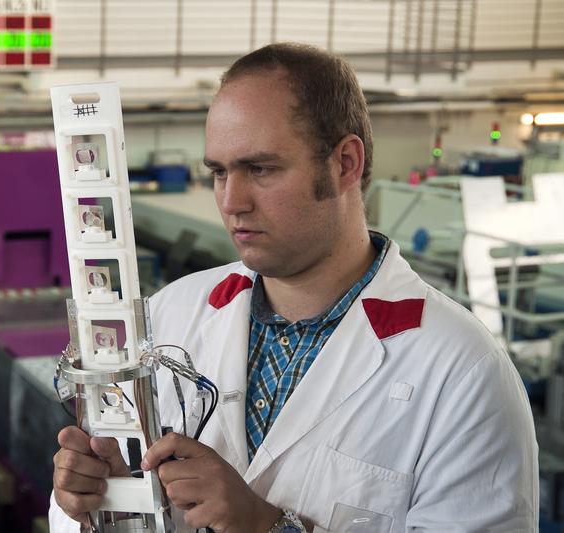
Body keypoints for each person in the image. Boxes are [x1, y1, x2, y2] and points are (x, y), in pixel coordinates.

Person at [49, 43, 538, 532]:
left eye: (260, 169)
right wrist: (99, 503)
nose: (232, 201)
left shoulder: (463, 370)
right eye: (218, 172)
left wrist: (267, 526)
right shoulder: (169, 316)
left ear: (345, 163)